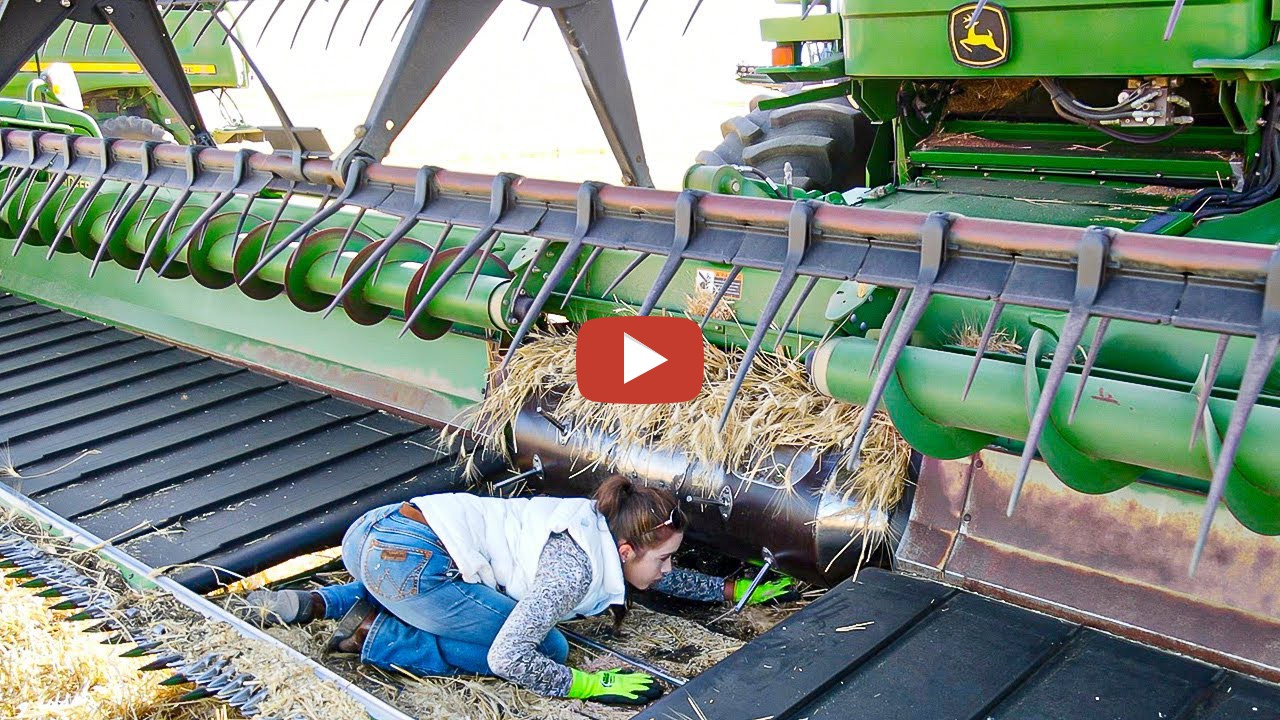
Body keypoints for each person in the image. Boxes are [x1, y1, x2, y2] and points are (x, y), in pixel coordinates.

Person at [241, 476, 794, 705]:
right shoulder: (573, 569)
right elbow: (509, 656)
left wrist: (726, 589)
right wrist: (582, 683)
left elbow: (657, 576)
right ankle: (375, 634)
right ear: (625, 551)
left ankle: (320, 603)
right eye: (667, 558)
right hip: (413, 564)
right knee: (546, 648)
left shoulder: (595, 520)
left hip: (373, 537)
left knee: (461, 599)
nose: (670, 570)